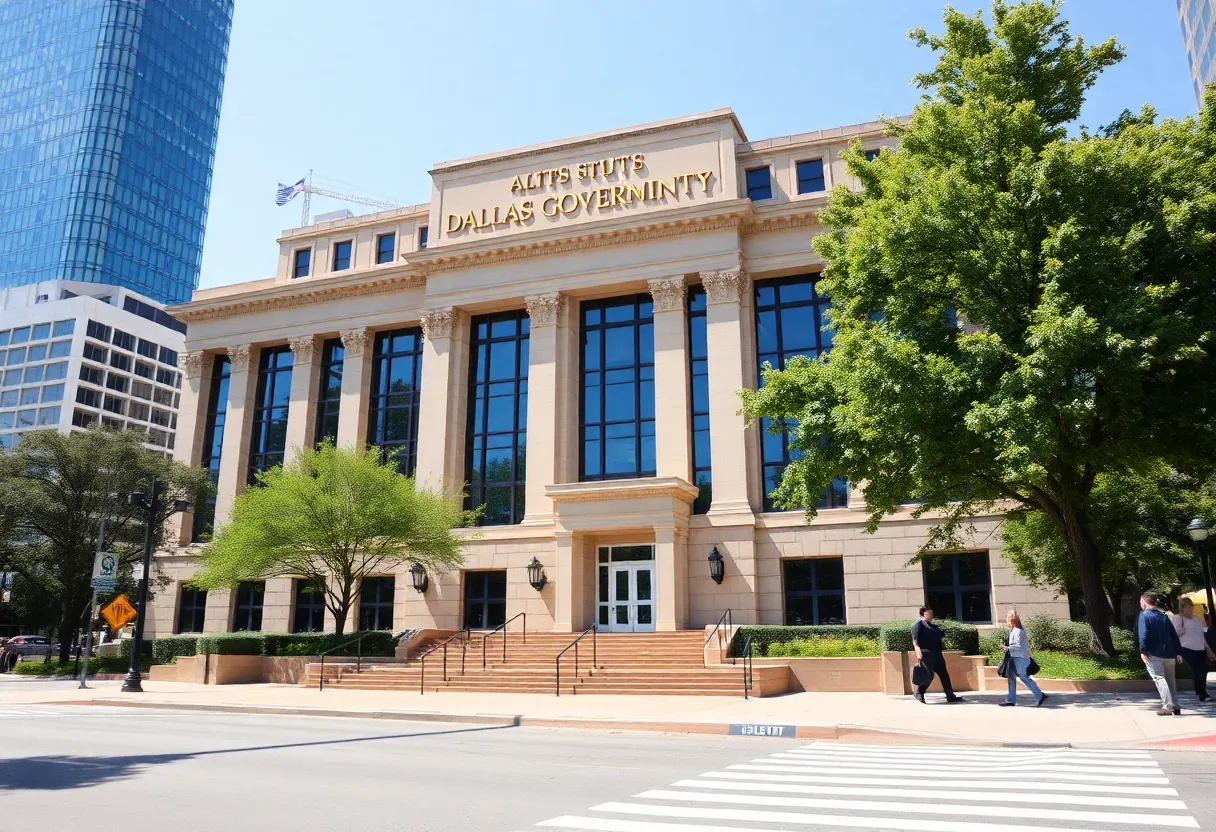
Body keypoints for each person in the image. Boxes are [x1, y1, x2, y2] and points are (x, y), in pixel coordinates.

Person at [1138, 591, 1184, 716]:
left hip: (1154, 653)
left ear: (1146, 601)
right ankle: (1176, 705)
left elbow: (1143, 634)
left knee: (1159, 678)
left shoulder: (1144, 615)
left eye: (1141, 601)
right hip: (1170, 654)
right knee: (1171, 680)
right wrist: (1178, 652)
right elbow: (1173, 635)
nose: (1140, 603)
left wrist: (1143, 650)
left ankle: (1168, 705)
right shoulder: (1163, 616)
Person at [912, 606, 963, 704]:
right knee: (929, 676)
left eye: (932, 613)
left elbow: (941, 634)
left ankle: (950, 696)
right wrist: (918, 654)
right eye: (929, 613)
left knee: (944, 675)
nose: (931, 615)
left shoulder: (933, 626)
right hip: (926, 654)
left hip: (937, 654)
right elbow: (915, 641)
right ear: (922, 614)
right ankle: (919, 692)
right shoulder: (919, 624)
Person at [1000, 610, 1047, 707]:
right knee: (1012, 678)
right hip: (1016, 658)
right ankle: (1011, 700)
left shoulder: (1017, 631)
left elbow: (1018, 646)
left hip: (1019, 659)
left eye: (1008, 619)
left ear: (1011, 620)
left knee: (1023, 677)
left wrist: (1007, 648)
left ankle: (1039, 695)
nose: (1007, 621)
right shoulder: (1016, 630)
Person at [1173, 597, 1214, 703]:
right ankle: (1201, 694)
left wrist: (1209, 650)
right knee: (1198, 671)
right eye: (1187, 607)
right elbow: (1175, 633)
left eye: (1191, 606)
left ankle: (1201, 692)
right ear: (1182, 608)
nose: (1190, 609)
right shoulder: (1178, 618)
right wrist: (1180, 631)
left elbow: (1201, 635)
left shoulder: (1196, 619)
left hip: (1200, 648)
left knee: (1203, 671)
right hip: (1187, 648)